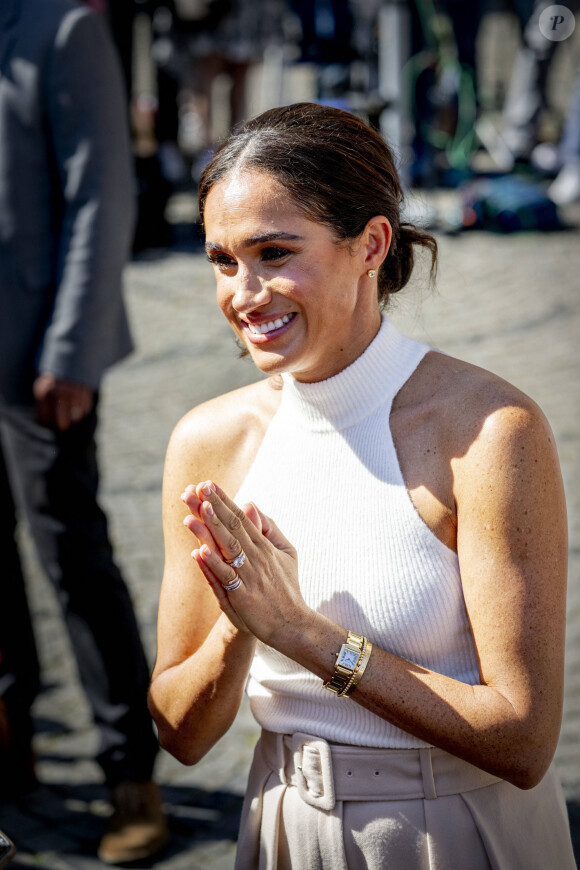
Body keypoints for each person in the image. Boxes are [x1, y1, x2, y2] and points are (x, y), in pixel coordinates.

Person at [148, 102, 575, 868]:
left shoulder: (487, 430)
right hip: (281, 826)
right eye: (222, 260)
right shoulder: (210, 440)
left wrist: (304, 635)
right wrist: (238, 626)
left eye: (274, 252)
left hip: (454, 833)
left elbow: (523, 738)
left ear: (371, 243)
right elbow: (180, 735)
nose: (244, 293)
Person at [0, 0, 167, 863]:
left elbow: (102, 190)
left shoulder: (61, 27)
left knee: (71, 554)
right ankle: (11, 737)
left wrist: (73, 348)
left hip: (38, 357)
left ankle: (130, 773)